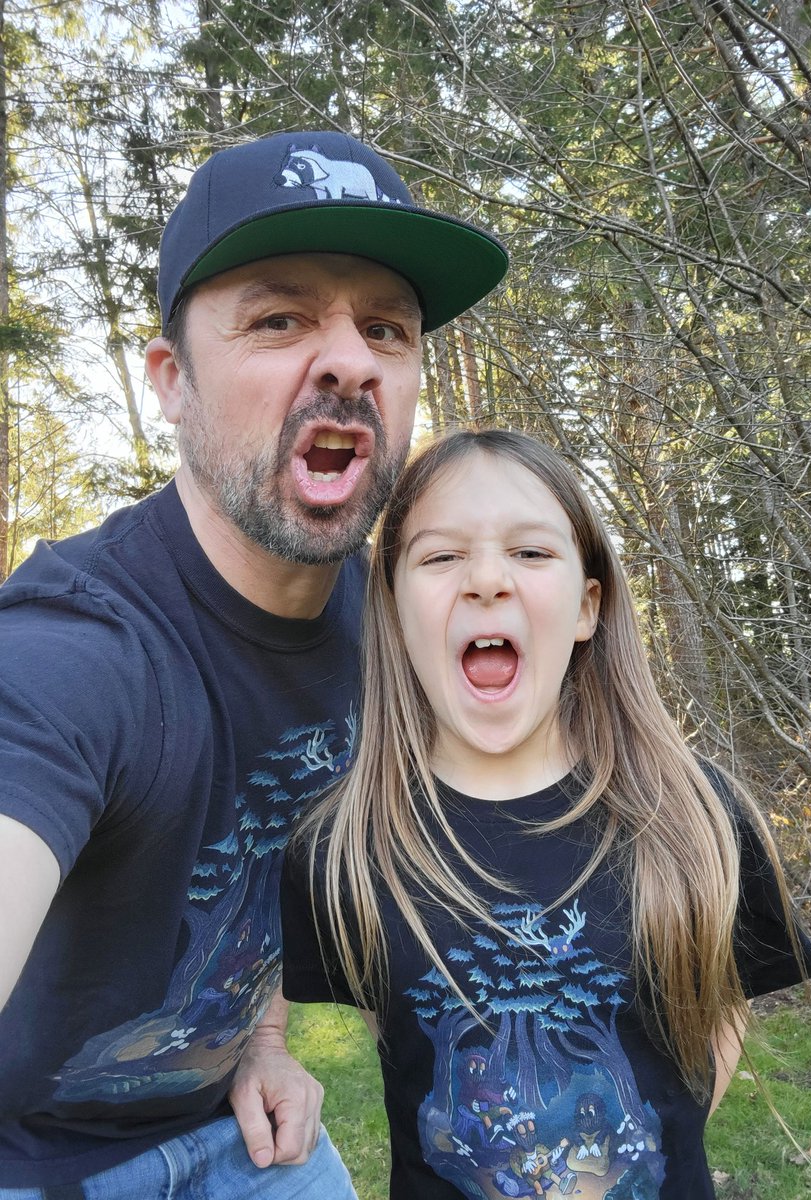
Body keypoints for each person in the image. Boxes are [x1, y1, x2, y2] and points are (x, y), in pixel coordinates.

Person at [0, 131, 508, 1197]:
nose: (350, 359)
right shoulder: (73, 652)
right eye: (280, 319)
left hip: (248, 1142)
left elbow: (259, 857)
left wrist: (266, 1038)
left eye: (386, 328)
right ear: (171, 381)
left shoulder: (394, 623)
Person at [281, 428, 811, 1200]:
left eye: (531, 553)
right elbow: (399, 1034)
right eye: (440, 557)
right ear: (395, 611)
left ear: (586, 606)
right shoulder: (340, 847)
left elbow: (719, 1015)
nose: (487, 580)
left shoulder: (698, 816)